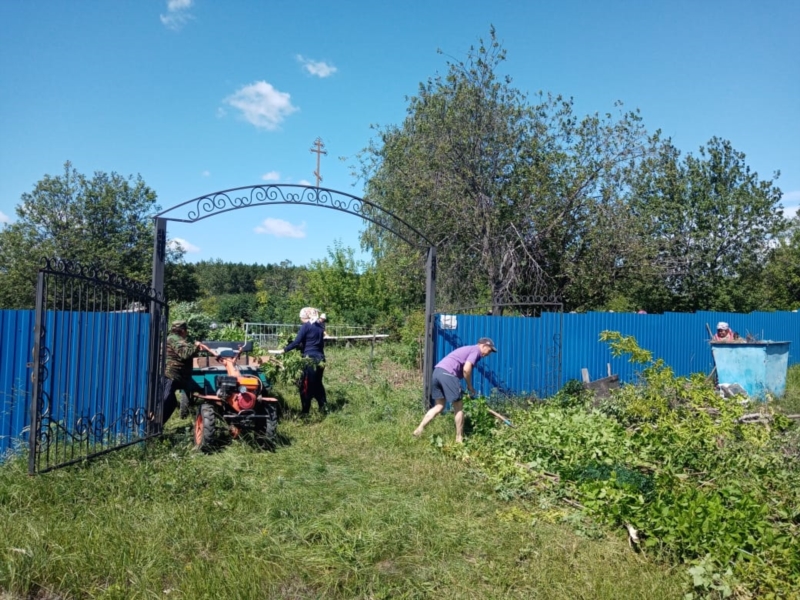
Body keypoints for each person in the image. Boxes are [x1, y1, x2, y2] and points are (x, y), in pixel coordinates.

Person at [413, 337, 498, 443]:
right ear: (484, 346)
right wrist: (469, 386)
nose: (488, 354)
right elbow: (466, 369)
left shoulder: (469, 349)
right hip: (448, 374)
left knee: (439, 406)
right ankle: (459, 439)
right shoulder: (476, 351)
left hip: (437, 372)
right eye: (489, 351)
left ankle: (419, 429)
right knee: (458, 407)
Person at [281, 309, 327, 416]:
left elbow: (297, 342)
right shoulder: (320, 327)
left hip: (309, 359)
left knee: (306, 385)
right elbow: (314, 341)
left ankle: (305, 411)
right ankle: (323, 407)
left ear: (304, 317)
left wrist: (284, 350)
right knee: (318, 383)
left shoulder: (305, 326)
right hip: (321, 358)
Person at [163, 320, 209, 423]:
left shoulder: (172, 338)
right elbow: (185, 354)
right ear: (183, 330)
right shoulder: (175, 339)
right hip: (171, 374)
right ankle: (151, 428)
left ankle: (155, 428)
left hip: (173, 375)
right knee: (165, 402)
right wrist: (196, 346)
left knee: (171, 403)